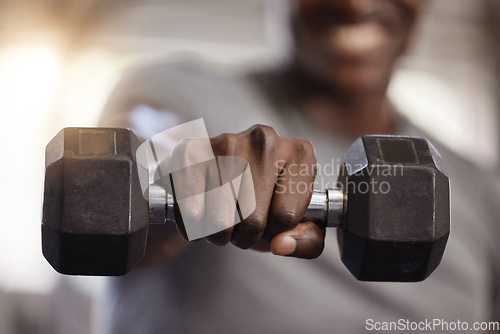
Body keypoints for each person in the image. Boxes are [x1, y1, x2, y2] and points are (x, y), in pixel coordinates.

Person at [100, 0, 500, 333]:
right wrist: (185, 173)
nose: (355, 4)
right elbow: (137, 154)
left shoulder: (478, 188)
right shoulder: (181, 94)